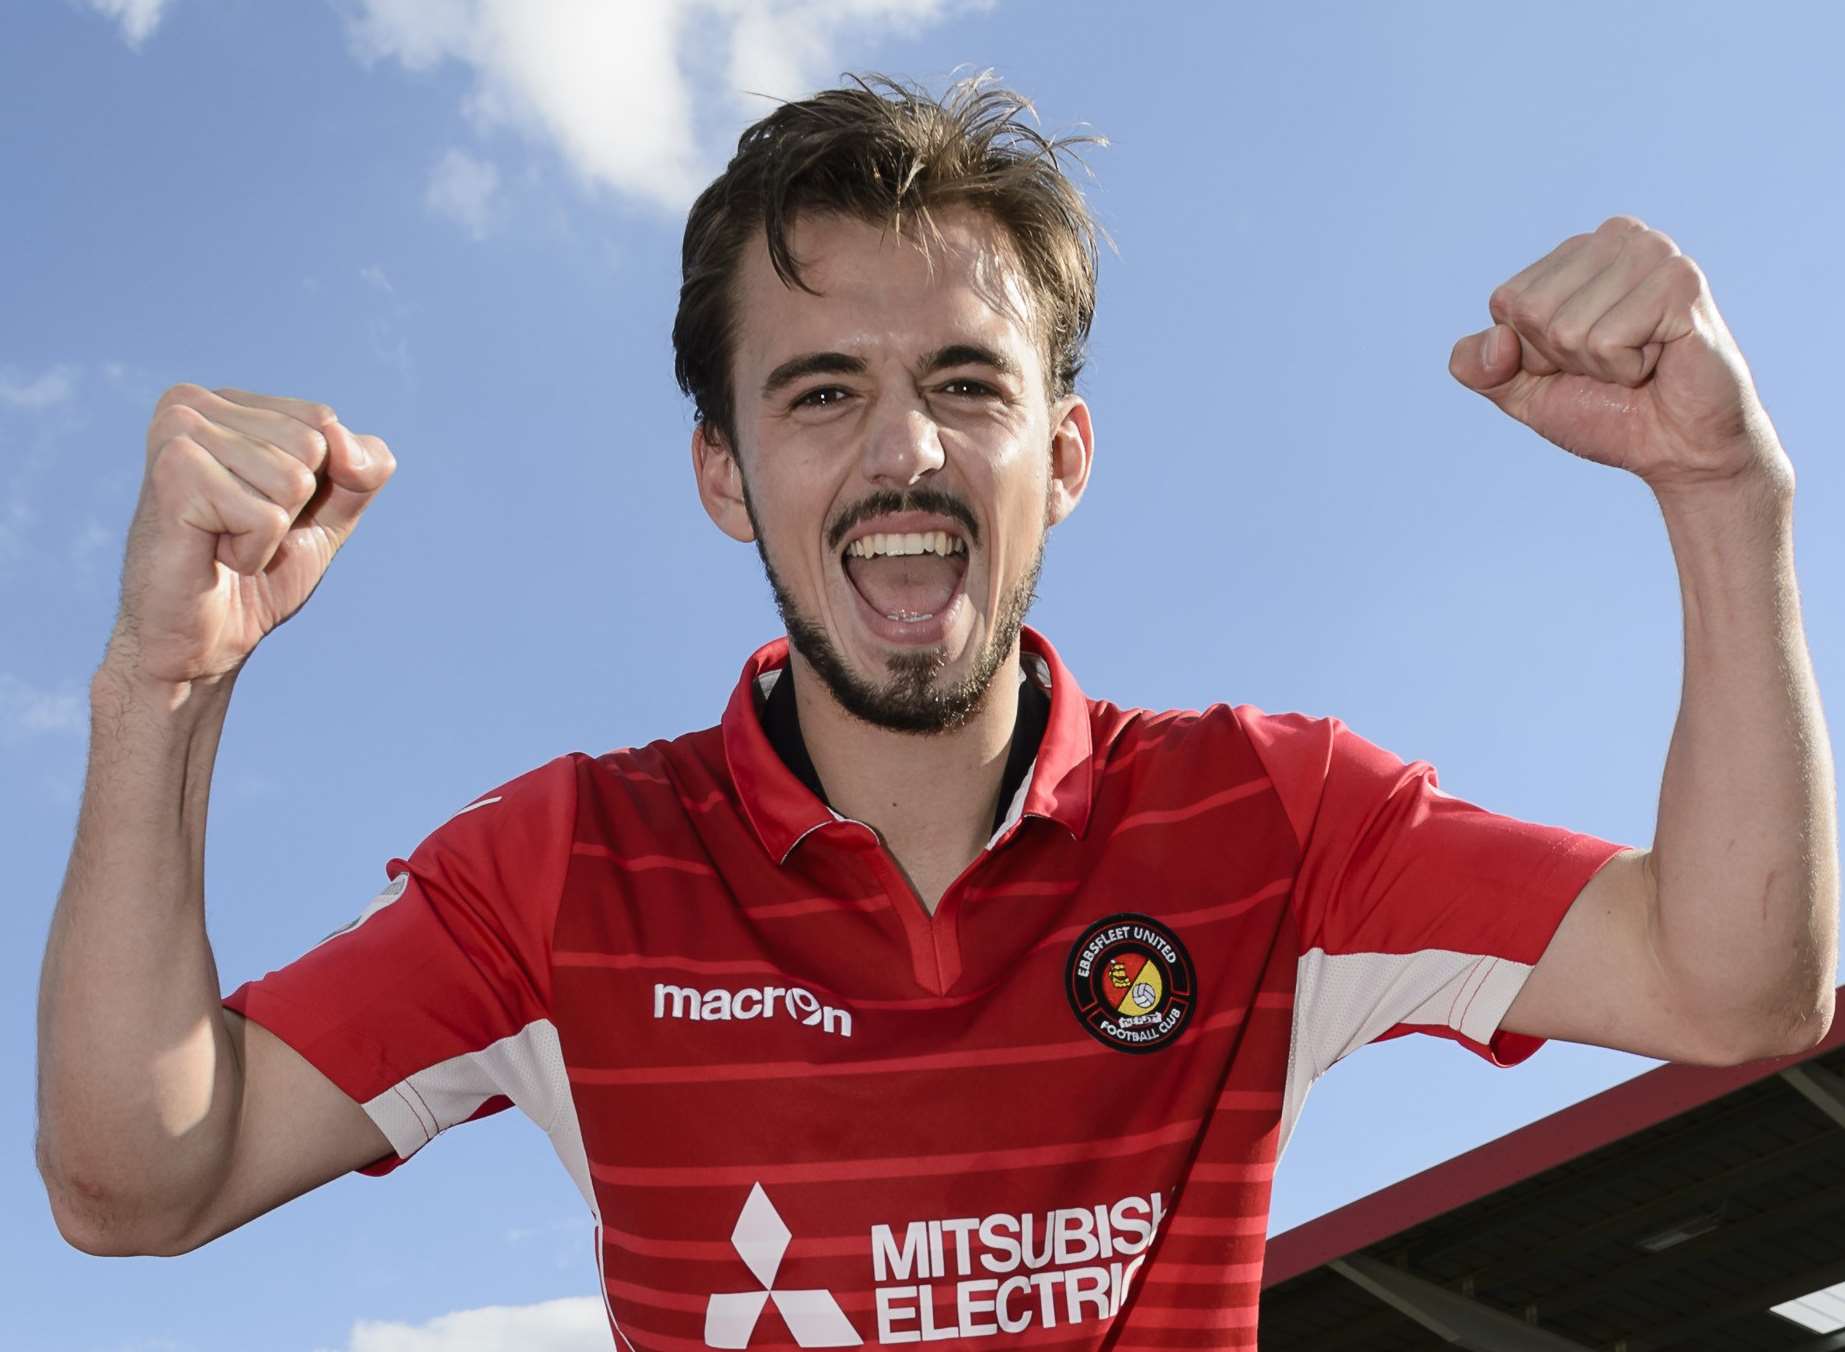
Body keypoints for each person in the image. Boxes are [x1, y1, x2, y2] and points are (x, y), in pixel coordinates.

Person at [36, 73, 1836, 1350]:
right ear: (725, 478)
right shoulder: (562, 870)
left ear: (1058, 459)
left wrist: (1722, 497)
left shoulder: (1274, 826)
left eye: (964, 385)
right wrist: (160, 690)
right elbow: (138, 1187)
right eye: (818, 391)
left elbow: (1733, 981)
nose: (902, 451)